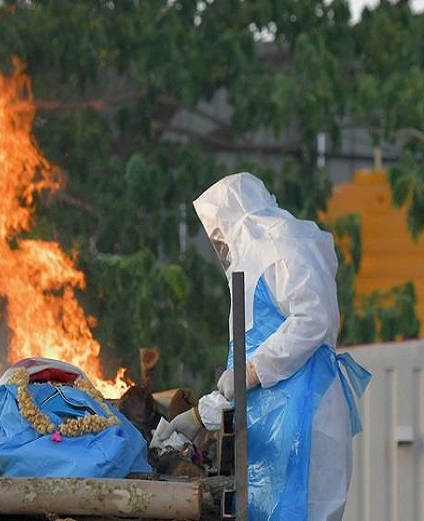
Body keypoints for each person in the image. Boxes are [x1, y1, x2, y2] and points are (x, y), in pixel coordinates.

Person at [153, 172, 370, 521]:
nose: (221, 244)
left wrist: (251, 371)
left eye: (220, 233)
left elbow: (314, 319)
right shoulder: (257, 260)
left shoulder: (279, 248)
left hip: (302, 421)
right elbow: (245, 376)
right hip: (279, 425)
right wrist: (197, 417)